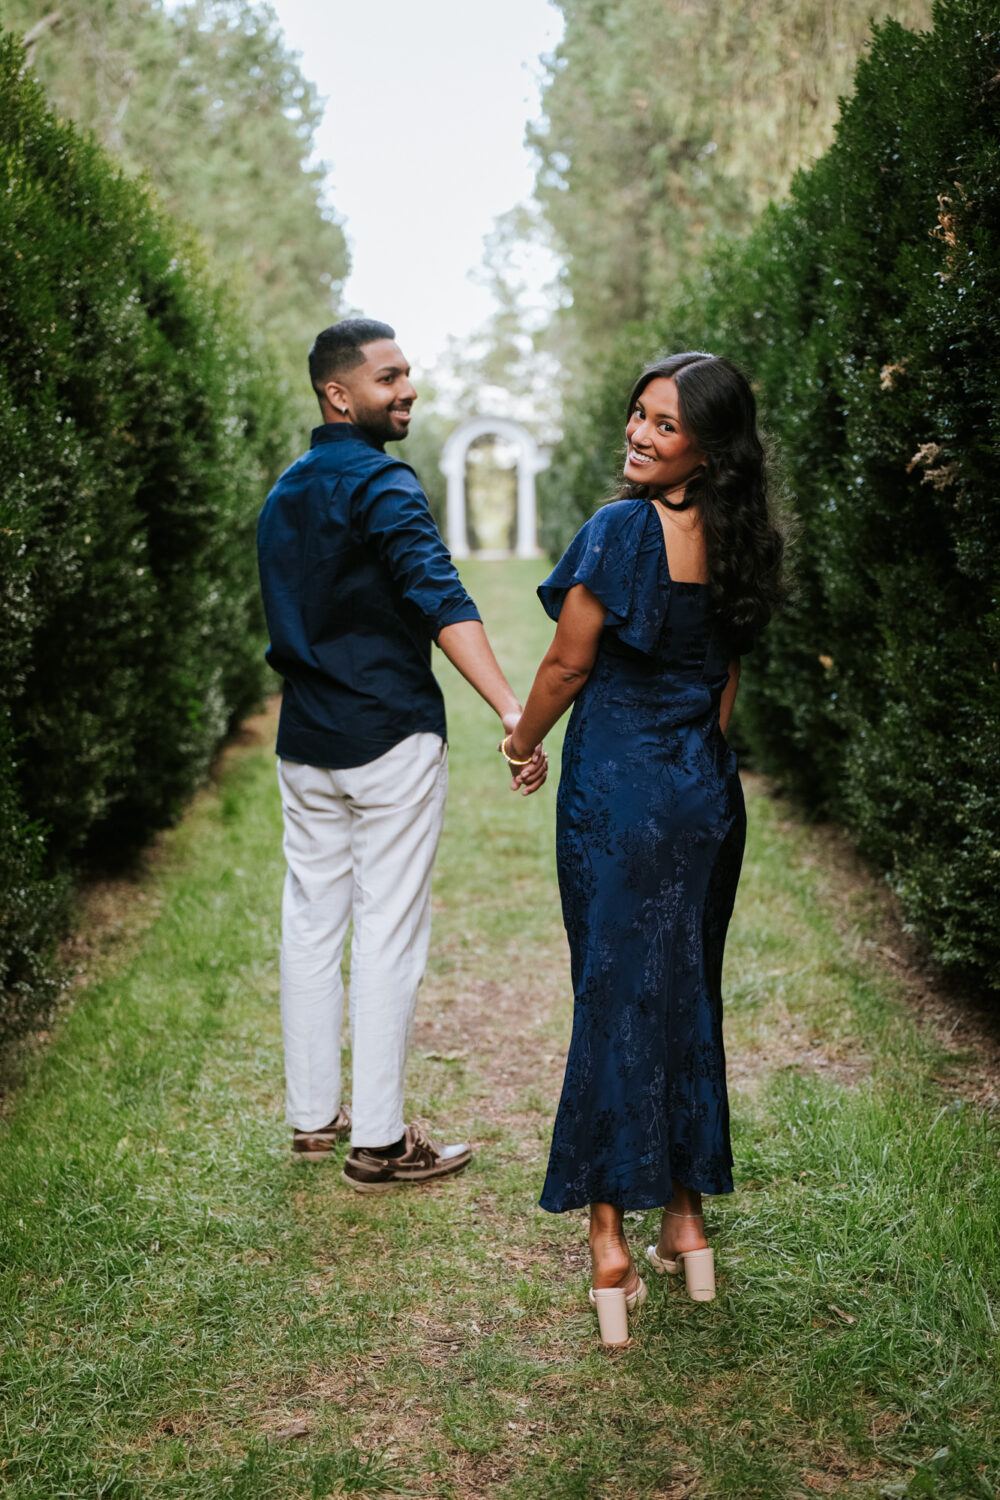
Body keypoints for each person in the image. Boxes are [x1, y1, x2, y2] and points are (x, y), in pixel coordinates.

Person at [499, 352, 783, 1341]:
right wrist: (698, 775)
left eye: (664, 425)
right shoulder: (742, 542)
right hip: (704, 795)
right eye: (637, 415)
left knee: (613, 999)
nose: (639, 434)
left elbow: (566, 664)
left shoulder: (620, 532)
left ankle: (610, 1246)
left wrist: (521, 739)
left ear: (706, 447)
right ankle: (688, 1225)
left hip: (617, 797)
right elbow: (723, 691)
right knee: (684, 993)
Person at [257, 318, 546, 1193]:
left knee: (311, 921)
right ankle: (380, 1144)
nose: (408, 388)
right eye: (389, 377)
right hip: (387, 737)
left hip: (306, 741)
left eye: (409, 372)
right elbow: (440, 597)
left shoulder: (285, 491)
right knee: (387, 932)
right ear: (339, 395)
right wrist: (511, 708)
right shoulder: (383, 485)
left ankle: (315, 1118)